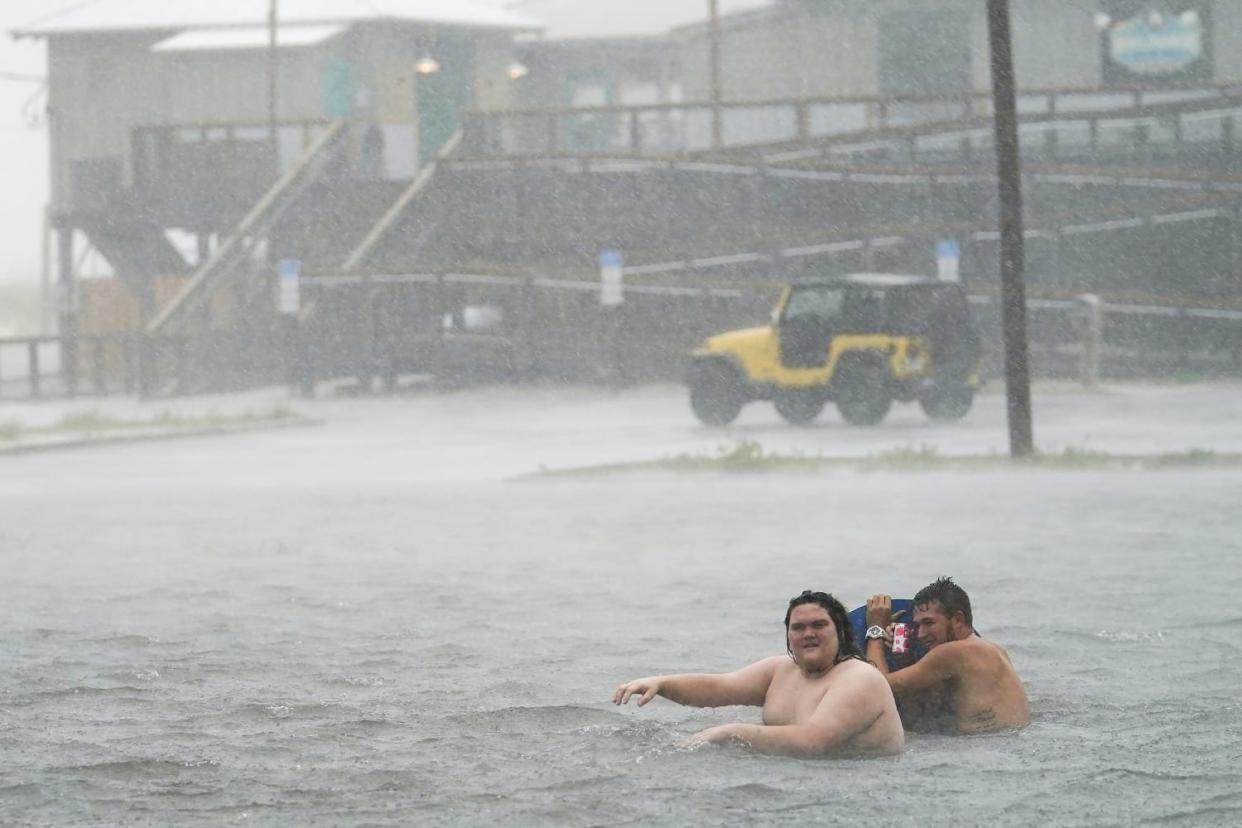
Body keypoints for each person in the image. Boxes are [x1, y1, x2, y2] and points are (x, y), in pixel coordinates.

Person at [613, 590, 904, 757]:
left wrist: (728, 732)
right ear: (788, 635)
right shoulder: (780, 670)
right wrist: (660, 682)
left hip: (859, 784)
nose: (808, 634)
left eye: (819, 625)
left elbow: (813, 742)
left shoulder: (859, 678)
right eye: (798, 628)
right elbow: (718, 688)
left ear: (840, 631)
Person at [865, 577, 1030, 734]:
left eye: (929, 623)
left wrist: (876, 630)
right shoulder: (994, 650)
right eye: (917, 625)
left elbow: (877, 686)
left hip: (983, 748)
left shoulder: (952, 652)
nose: (921, 634)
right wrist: (904, 657)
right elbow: (922, 707)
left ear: (958, 619)